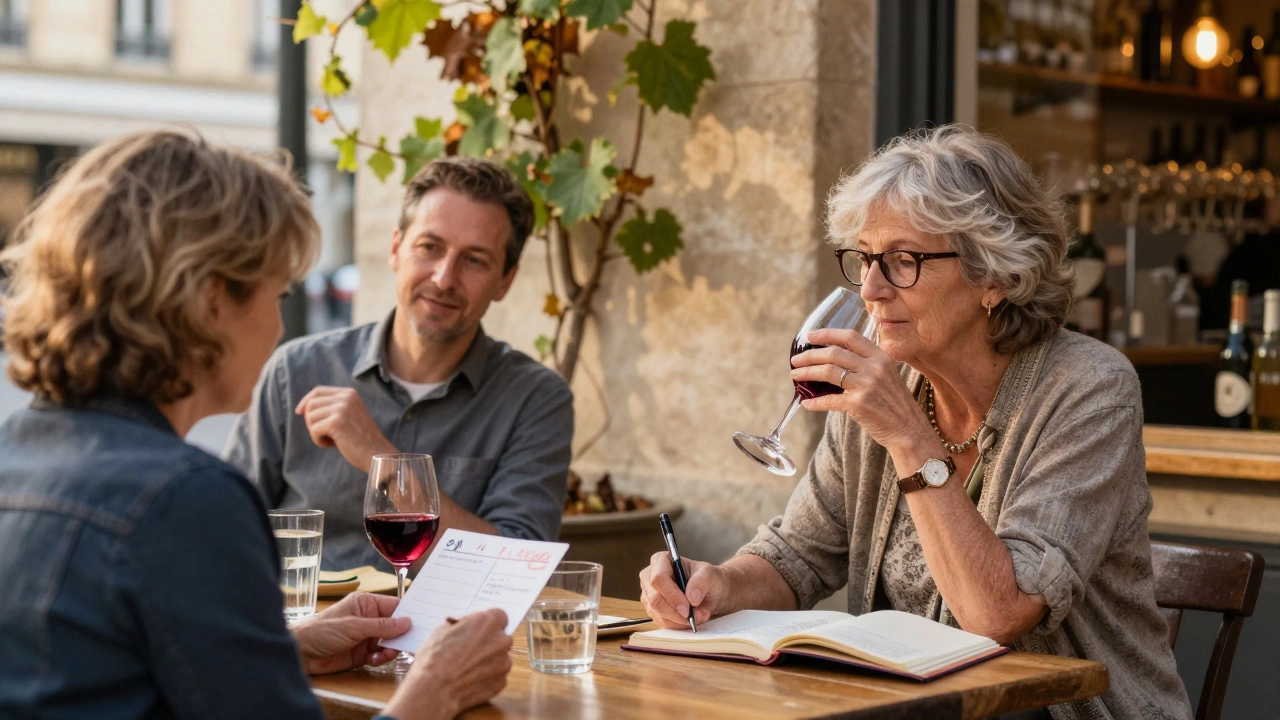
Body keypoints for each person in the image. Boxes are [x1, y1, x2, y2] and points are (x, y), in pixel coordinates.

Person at [639, 126, 1193, 720]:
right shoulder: (889, 385)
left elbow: (1002, 612)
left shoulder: (1089, 390)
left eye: (903, 260)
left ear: (996, 277)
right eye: (865, 259)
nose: (872, 290)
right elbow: (798, 555)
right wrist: (718, 585)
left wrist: (906, 435)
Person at [0, 130, 512, 719]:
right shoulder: (186, 502)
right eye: (279, 294)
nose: (279, 328)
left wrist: (284, 653)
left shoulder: (20, 455)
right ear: (213, 300)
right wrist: (436, 689)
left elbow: (104, 673)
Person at [224, 157, 573, 571]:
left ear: (505, 281)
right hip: (301, 627)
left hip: (447, 632)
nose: (444, 278)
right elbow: (223, 528)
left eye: (474, 260)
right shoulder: (294, 371)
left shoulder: (535, 399)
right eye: (430, 247)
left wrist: (381, 460)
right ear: (395, 249)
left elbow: (517, 567)